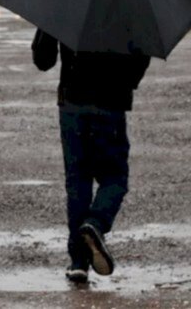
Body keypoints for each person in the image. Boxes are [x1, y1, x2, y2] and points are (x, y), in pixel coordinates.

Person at [31, 28, 150, 284]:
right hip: (111, 104)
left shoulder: (68, 3)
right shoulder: (129, 8)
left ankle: (78, 261)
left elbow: (43, 60)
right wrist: (126, 82)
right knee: (115, 178)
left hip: (72, 105)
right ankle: (95, 223)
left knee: (78, 181)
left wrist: (46, 29)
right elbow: (141, 55)